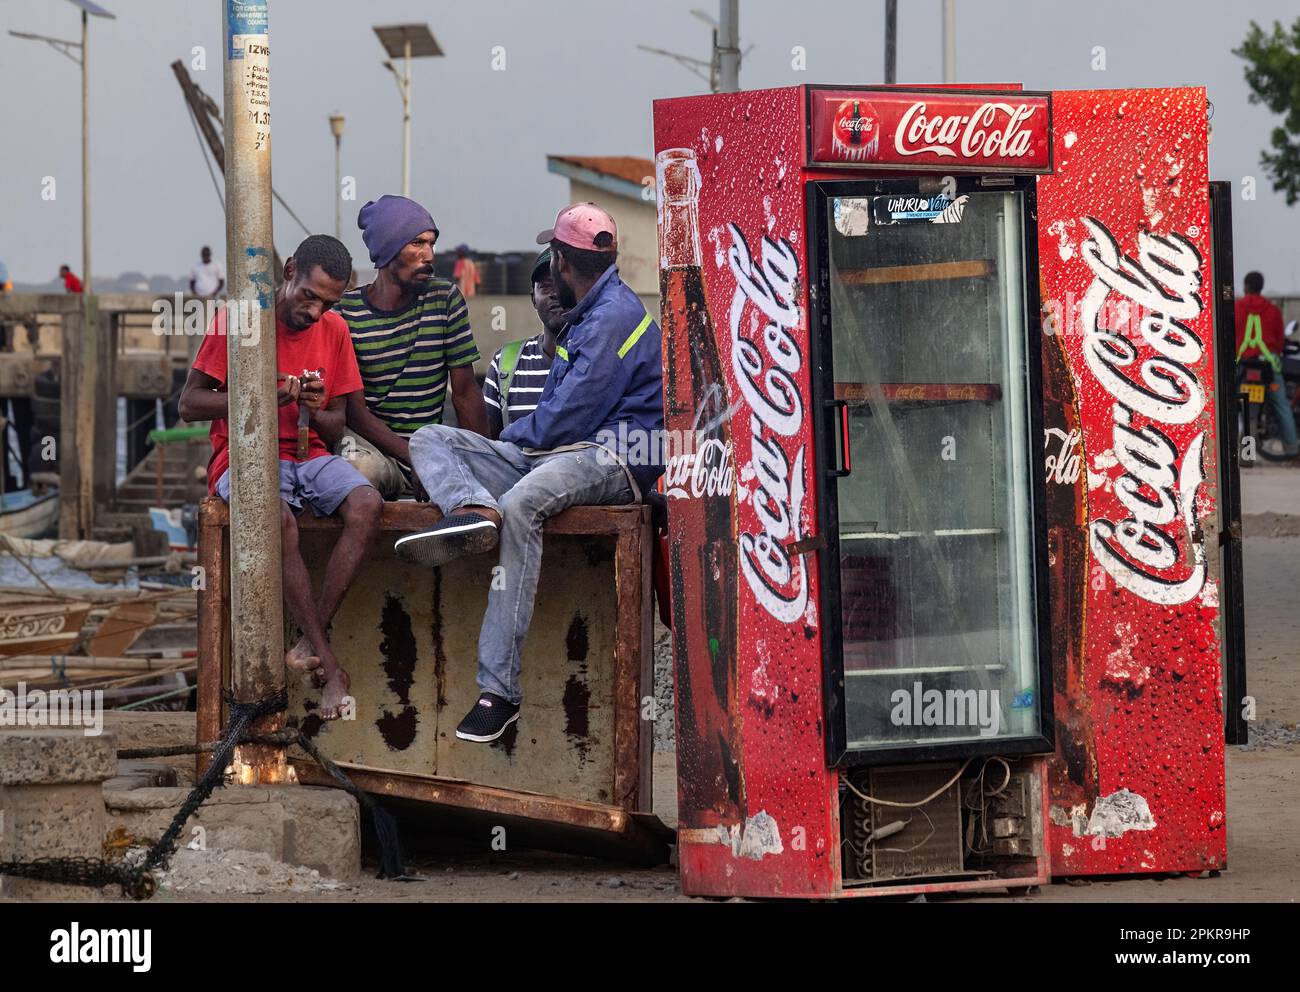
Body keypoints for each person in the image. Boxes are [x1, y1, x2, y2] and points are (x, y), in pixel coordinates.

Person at [395, 203, 664, 743]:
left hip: (612, 456)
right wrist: (495, 453)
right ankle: (471, 508)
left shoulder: (610, 317)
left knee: (522, 504)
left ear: (562, 262)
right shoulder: (590, 313)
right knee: (430, 438)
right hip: (562, 449)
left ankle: (500, 692)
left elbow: (566, 418)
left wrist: (503, 447)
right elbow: (556, 422)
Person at [178, 234, 383, 720]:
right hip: (242, 455)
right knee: (280, 520)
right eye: (309, 295)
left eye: (327, 303)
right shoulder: (239, 320)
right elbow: (188, 404)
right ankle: (328, 662)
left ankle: (306, 641)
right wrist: (263, 393)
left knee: (368, 505)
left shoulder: (334, 331)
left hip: (307, 455)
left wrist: (314, 404)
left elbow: (337, 423)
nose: (314, 312)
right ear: (289, 270)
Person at [334, 195, 488, 500]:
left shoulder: (444, 300)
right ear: (388, 250)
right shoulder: (345, 314)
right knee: (358, 470)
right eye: (417, 243)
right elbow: (354, 409)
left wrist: (483, 464)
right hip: (375, 452)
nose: (429, 255)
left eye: (431, 243)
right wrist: (412, 457)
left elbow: (466, 393)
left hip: (431, 452)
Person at [482, 248, 562, 439]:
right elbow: (486, 448)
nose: (555, 294)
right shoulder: (505, 362)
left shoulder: (597, 359)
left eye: (562, 284)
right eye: (545, 286)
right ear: (533, 299)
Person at [1235, 270, 1297, 458]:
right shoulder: (1273, 310)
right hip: (1268, 367)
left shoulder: (1237, 308)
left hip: (1244, 367)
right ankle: (1292, 449)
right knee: (1281, 405)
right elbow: (1279, 343)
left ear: (1246, 286)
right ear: (1261, 287)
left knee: (1231, 405)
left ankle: (1242, 452)